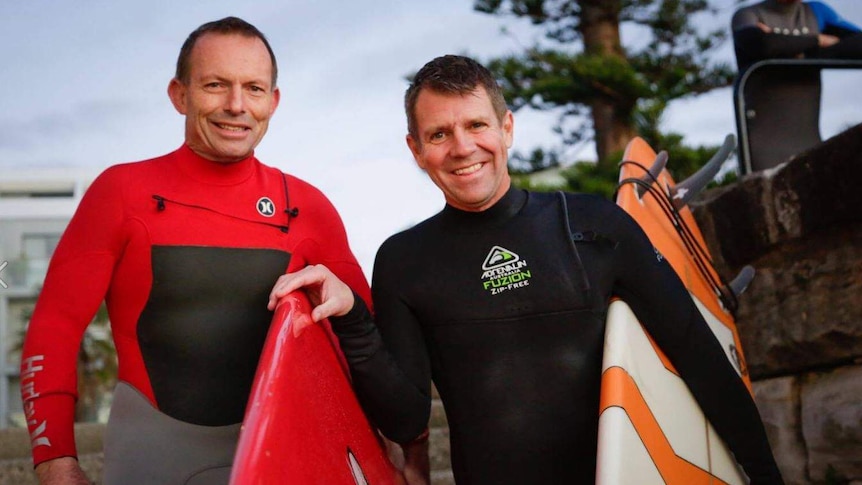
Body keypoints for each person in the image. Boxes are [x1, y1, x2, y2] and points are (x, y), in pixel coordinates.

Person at [270, 55, 785, 484]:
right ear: (417, 151)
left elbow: (699, 355)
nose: (463, 147)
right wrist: (355, 319)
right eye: (439, 133)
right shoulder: (406, 260)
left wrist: (765, 475)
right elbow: (406, 418)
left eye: (476, 125)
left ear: (506, 127)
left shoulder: (594, 225)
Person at [19, 17, 371, 485]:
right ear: (179, 94)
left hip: (285, 456)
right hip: (155, 455)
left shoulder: (307, 207)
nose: (236, 105)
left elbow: (365, 339)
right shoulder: (122, 192)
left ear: (274, 100)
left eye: (254, 88)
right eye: (215, 85)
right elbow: (56, 326)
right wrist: (55, 460)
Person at [731, 0, 862, 171]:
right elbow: (763, 44)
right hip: (764, 145)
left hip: (809, 139)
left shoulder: (816, 12)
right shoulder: (748, 15)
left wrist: (794, 47)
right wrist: (819, 40)